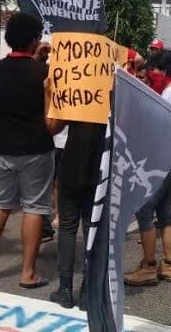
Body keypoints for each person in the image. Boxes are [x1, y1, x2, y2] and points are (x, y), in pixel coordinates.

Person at [0, 12, 54, 289]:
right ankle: (27, 272)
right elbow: (44, 106)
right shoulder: (43, 73)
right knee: (35, 207)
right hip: (35, 147)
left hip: (1, 146)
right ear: (34, 39)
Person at [124, 50, 171, 287]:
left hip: (163, 162)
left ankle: (148, 267)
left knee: (144, 212)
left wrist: (167, 147)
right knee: (163, 214)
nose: (148, 73)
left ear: (163, 71)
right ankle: (170, 265)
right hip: (167, 161)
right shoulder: (165, 91)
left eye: (152, 69)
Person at [48, 122, 103, 309]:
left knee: (67, 227)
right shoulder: (110, 94)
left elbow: (52, 125)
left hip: (71, 160)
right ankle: (88, 291)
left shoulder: (72, 93)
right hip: (98, 163)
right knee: (91, 226)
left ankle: (65, 289)